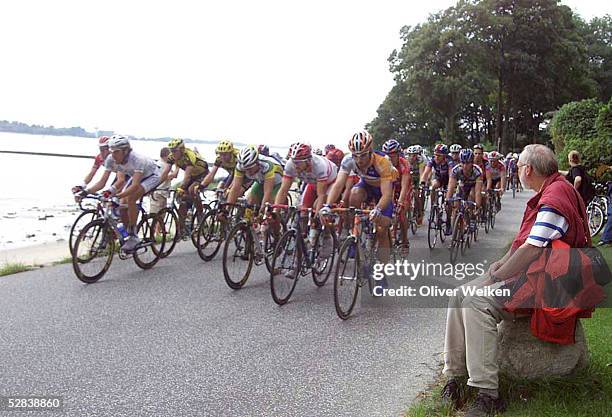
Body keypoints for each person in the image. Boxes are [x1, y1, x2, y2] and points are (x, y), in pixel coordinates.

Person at [441, 144, 599, 417]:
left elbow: (532, 249)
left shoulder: (553, 199)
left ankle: (487, 393)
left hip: (551, 283)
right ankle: (455, 375)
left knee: (477, 302)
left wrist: (495, 276)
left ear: (528, 170)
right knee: (460, 294)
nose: (515, 172)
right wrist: (499, 266)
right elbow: (526, 243)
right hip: (541, 273)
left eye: (518, 168)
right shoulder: (553, 189)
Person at [321, 130, 398, 268]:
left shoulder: (383, 161)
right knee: (354, 193)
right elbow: (339, 185)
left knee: (382, 231)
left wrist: (378, 209)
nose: (359, 160)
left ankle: (383, 271)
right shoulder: (348, 160)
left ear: (370, 151)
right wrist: (328, 205)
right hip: (366, 185)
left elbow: (387, 194)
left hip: (383, 189)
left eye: (363, 155)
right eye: (355, 156)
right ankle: (357, 232)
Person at [84, 135, 161, 251]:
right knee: (121, 205)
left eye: (116, 152)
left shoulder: (137, 159)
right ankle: (127, 234)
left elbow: (135, 185)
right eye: (112, 151)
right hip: (136, 175)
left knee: (131, 198)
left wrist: (117, 195)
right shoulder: (111, 159)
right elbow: (107, 181)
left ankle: (133, 236)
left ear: (125, 151)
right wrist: (88, 191)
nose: (113, 155)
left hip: (152, 176)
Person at [160, 138, 209, 237]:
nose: (172, 153)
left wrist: (182, 188)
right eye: (171, 151)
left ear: (182, 149)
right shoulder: (171, 157)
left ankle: (201, 214)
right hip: (192, 176)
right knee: (183, 203)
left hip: (202, 174)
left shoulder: (189, 156)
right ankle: (180, 230)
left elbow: (187, 178)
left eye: (175, 151)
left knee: (192, 189)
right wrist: (154, 186)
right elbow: (164, 174)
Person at [275, 142, 337, 212]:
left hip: (331, 183)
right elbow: (283, 190)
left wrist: (316, 217)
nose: (295, 165)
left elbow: (321, 195)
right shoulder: (290, 165)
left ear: (308, 161)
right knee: (303, 210)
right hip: (313, 183)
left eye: (298, 162)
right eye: (293, 161)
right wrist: (275, 211)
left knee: (317, 207)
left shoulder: (319, 166)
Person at [226, 145, 284, 213]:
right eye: (245, 169)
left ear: (257, 163)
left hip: (277, 182)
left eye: (250, 168)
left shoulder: (267, 166)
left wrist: (262, 210)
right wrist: (227, 210)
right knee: (250, 201)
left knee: (268, 206)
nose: (248, 172)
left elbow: (267, 192)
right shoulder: (240, 166)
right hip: (261, 181)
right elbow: (235, 188)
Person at [446, 149, 483, 235]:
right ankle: (455, 226)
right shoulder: (456, 170)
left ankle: (472, 218)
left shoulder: (477, 171)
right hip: (462, 185)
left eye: (468, 163)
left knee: (471, 197)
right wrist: (448, 200)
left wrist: (477, 205)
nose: (465, 166)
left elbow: (478, 191)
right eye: (463, 163)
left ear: (472, 162)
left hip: (473, 186)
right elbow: (451, 187)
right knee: (456, 203)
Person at [382, 139, 411, 247]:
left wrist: (400, 202)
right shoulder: (382, 163)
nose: (390, 157)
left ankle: (404, 240)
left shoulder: (404, 163)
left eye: (393, 154)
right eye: (387, 154)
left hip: (403, 187)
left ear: (398, 154)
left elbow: (404, 186)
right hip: (390, 186)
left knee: (401, 212)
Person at [149, 147, 179, 216]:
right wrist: (177, 167)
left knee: (155, 215)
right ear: (167, 156)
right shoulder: (163, 165)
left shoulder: (158, 163)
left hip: (158, 193)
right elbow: (172, 176)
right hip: (160, 193)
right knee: (159, 217)